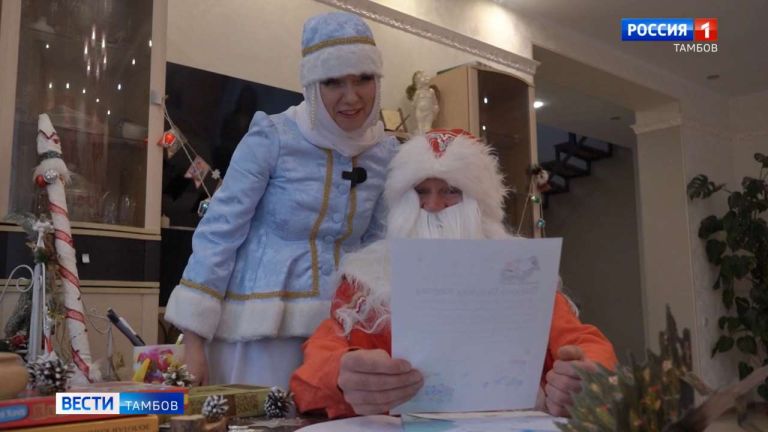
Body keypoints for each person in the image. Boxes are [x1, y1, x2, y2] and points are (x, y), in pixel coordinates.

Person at [290, 129, 617, 418]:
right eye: (421, 191)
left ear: (479, 203)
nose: (433, 205)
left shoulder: (521, 274)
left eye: (450, 190)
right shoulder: (364, 281)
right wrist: (340, 378)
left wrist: (583, 382)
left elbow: (585, 345)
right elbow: (312, 373)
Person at [164, 12, 399, 388]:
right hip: (259, 339)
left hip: (342, 336)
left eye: (363, 78)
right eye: (333, 81)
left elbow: (380, 249)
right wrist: (193, 343)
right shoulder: (272, 137)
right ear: (312, 85)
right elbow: (219, 233)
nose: (352, 96)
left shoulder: (386, 154)